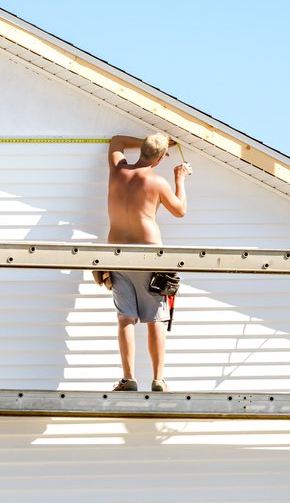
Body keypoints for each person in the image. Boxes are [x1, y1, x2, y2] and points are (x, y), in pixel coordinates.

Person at [105, 133, 190, 392]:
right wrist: (180, 178)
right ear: (160, 159)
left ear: (141, 149)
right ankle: (158, 379)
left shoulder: (118, 171)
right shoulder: (157, 181)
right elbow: (180, 210)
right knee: (155, 318)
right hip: (149, 254)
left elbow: (116, 141)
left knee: (126, 319)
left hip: (117, 254)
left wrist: (154, 141)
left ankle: (128, 378)